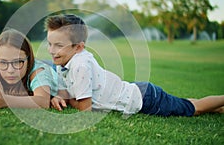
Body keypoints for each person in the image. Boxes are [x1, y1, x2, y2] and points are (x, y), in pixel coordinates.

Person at [46, 14, 224, 117]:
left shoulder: (80, 65)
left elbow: (85, 108)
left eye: (59, 46)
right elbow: (64, 91)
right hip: (139, 90)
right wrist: (57, 96)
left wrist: (67, 100)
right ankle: (218, 108)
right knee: (184, 104)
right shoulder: (63, 61)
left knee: (194, 109)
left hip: (146, 100)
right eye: (49, 43)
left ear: (78, 47)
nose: (51, 51)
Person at [0, 28, 58, 109]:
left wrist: (6, 101)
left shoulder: (38, 71)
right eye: (3, 62)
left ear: (29, 60)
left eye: (17, 62)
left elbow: (43, 101)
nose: (10, 70)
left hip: (53, 69)